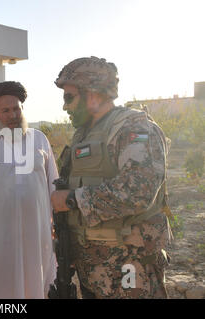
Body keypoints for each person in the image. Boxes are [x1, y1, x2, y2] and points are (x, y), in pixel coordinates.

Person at [51, 56, 172, 299]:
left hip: (129, 266)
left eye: (69, 97)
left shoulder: (133, 128)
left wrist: (73, 199)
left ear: (93, 94)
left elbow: (139, 191)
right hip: (94, 269)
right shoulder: (84, 135)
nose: (65, 107)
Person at [0, 81, 58, 299]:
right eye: (5, 110)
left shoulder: (40, 140)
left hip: (38, 232)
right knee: (4, 287)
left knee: (39, 283)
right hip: (1, 234)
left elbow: (54, 184)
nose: (12, 115)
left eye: (16, 108)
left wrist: (59, 225)